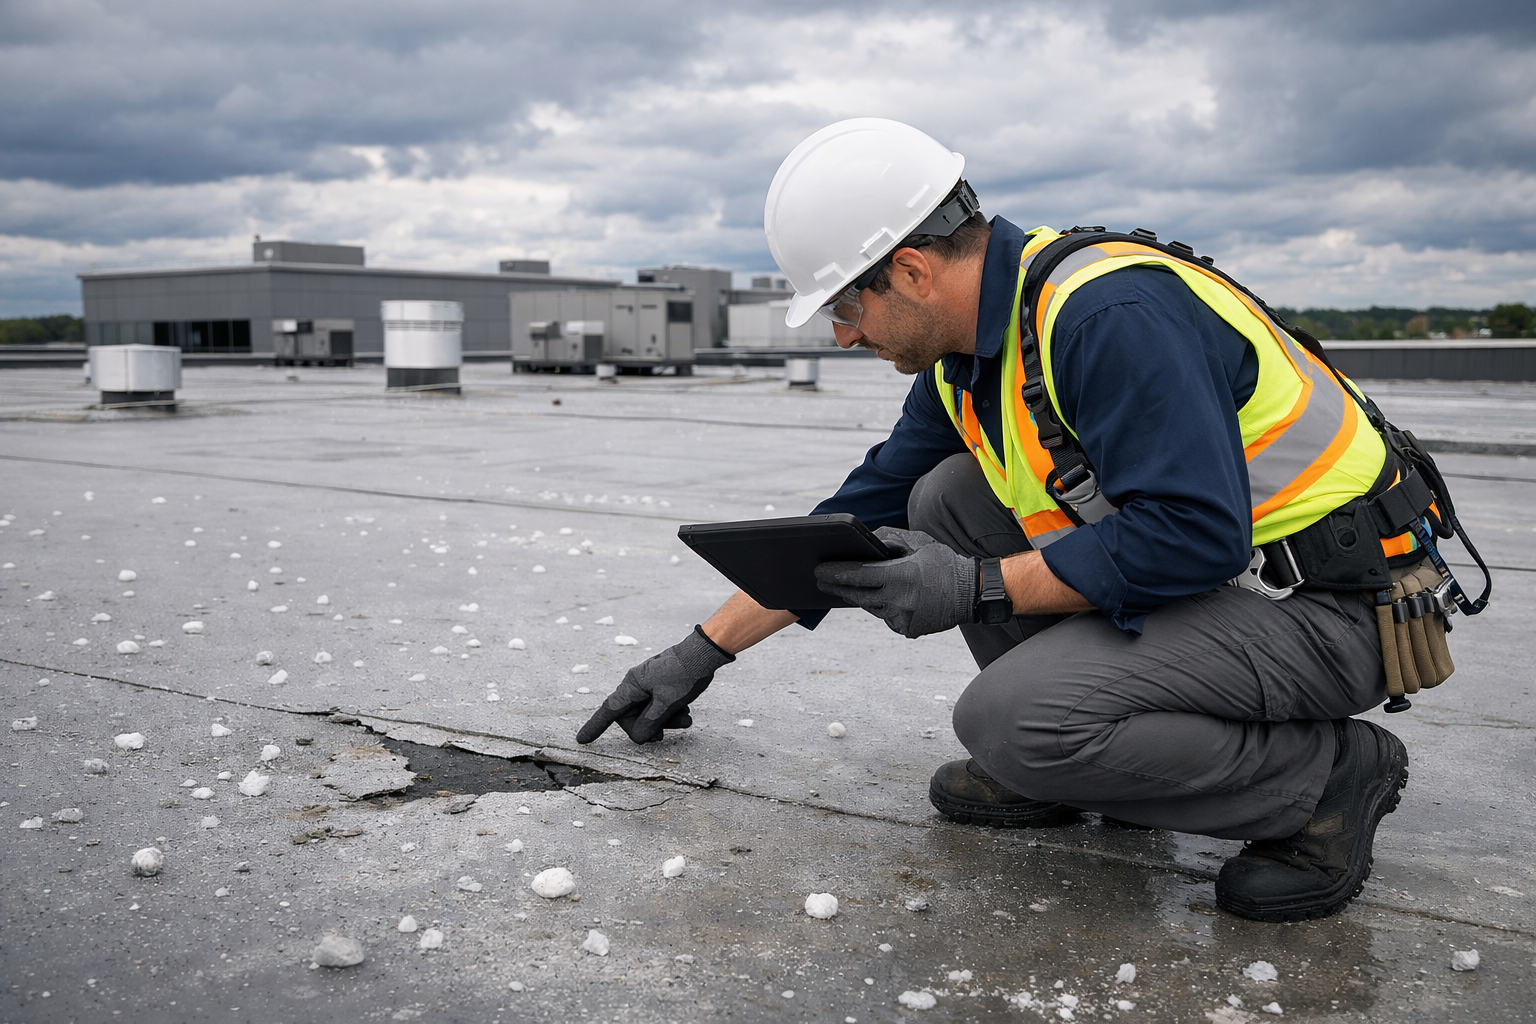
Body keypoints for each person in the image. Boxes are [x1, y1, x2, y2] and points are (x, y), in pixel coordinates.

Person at [576, 118, 1473, 923]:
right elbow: (857, 518)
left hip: (1338, 607)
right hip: (1233, 597)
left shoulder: (1107, 316)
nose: (845, 336)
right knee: (945, 497)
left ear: (913, 271)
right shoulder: (969, 357)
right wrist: (704, 648)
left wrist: (977, 587)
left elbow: (1195, 535)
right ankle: (1072, 764)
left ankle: (1321, 782)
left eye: (848, 307)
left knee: (1010, 722)